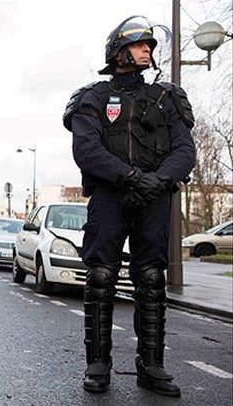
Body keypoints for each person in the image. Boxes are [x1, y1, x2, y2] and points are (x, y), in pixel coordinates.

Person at [63, 16, 196, 397]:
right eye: (140, 45)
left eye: (150, 47)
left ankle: (151, 365)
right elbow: (86, 150)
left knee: (152, 280)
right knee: (101, 276)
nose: (147, 52)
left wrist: (159, 180)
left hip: (154, 197)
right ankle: (98, 363)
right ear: (119, 52)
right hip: (110, 196)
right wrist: (129, 177)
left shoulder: (166, 97)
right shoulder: (94, 96)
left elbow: (185, 149)